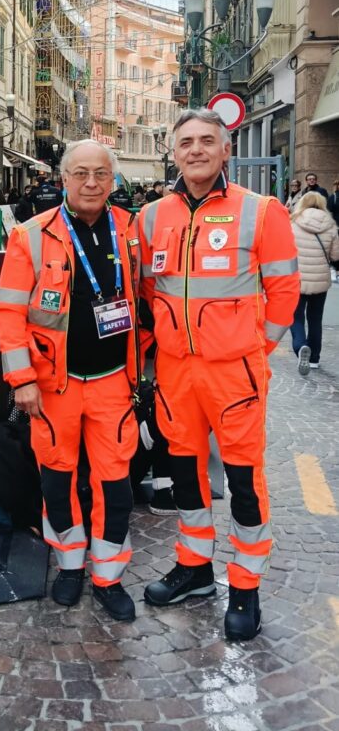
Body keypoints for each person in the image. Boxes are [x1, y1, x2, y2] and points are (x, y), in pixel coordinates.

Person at [138, 108, 299, 642]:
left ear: (226, 149)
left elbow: (284, 290)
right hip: (176, 375)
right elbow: (147, 292)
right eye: (186, 142)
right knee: (185, 476)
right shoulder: (151, 216)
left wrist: (257, 349)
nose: (197, 150)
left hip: (235, 376)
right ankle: (195, 569)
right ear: (174, 151)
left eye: (208, 141)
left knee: (243, 482)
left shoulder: (262, 211)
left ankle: (246, 586)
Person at [0, 140, 147, 622]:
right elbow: (9, 313)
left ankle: (109, 575)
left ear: (113, 180)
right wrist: (22, 380)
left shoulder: (132, 232)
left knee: (116, 485)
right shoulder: (31, 236)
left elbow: (148, 303)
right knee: (57, 482)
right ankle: (70, 566)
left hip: (113, 383)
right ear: (63, 179)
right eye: (81, 173)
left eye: (101, 174)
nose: (91, 183)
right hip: (53, 386)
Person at [289, 191, 339, 373]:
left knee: (295, 316)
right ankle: (315, 358)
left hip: (298, 278)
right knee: (315, 319)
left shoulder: (293, 223)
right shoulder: (331, 225)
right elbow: (335, 255)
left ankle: (300, 345)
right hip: (320, 280)